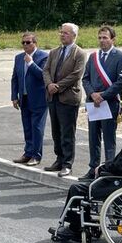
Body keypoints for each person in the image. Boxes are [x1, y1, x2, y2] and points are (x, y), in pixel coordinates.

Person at [49, 105, 122, 241]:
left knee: (77, 189)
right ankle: (83, 223)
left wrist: (101, 168)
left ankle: (74, 229)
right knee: (85, 185)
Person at [80, 26, 122, 181]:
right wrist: (92, 94)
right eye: (100, 37)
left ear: (113, 39)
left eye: (105, 38)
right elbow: (85, 79)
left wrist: (104, 96)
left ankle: (108, 169)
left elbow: (121, 81)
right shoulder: (93, 57)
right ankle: (93, 168)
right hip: (93, 103)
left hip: (110, 103)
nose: (102, 40)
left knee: (109, 138)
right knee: (93, 137)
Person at [42, 23, 87, 177]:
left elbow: (76, 74)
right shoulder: (54, 52)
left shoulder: (79, 53)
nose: (62, 35)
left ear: (74, 35)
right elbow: (46, 69)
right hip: (52, 96)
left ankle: (67, 163)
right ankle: (59, 159)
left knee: (67, 132)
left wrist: (58, 86)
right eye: (61, 32)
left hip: (68, 98)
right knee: (56, 131)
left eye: (66, 33)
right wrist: (49, 84)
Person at [10, 32, 48, 166]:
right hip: (24, 98)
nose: (25, 45)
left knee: (37, 128)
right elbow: (15, 78)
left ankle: (36, 156)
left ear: (35, 43)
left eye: (28, 42)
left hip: (39, 99)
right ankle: (28, 153)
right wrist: (14, 96)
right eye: (23, 43)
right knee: (27, 126)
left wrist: (31, 63)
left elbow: (43, 76)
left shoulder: (44, 56)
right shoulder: (18, 58)